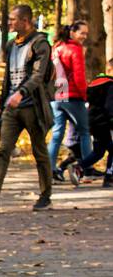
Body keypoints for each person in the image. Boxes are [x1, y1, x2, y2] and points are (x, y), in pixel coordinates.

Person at [0, 5, 55, 212]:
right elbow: (8, 78)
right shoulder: (11, 45)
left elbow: (38, 75)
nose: (9, 22)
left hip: (32, 106)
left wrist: (21, 93)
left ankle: (46, 195)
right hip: (11, 107)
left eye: (13, 19)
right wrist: (2, 106)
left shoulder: (40, 44)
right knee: (3, 150)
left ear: (25, 21)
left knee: (39, 152)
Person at [48, 22, 91, 181]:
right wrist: (86, 97)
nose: (84, 37)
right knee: (85, 132)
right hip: (72, 96)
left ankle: (49, 171)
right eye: (82, 33)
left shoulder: (57, 47)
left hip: (57, 96)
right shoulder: (75, 49)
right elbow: (79, 78)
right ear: (72, 32)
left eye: (86, 34)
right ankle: (86, 169)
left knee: (57, 134)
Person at [66, 72, 112, 185]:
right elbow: (110, 106)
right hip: (104, 122)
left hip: (92, 121)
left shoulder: (94, 84)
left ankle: (78, 167)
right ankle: (109, 177)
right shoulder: (111, 86)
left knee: (98, 152)